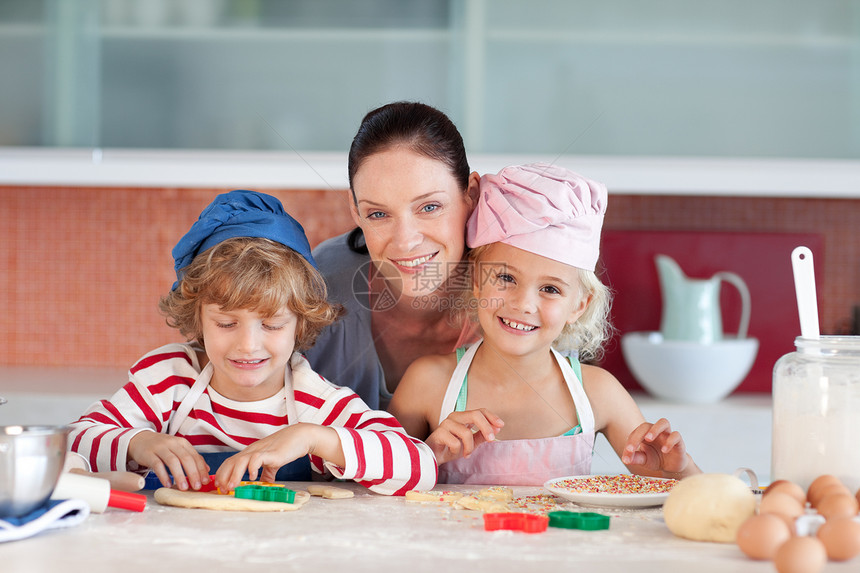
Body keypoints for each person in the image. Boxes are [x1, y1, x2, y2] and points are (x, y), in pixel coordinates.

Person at [67, 190, 437, 496]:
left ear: (300, 323)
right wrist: (138, 443)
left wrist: (312, 438)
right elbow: (74, 442)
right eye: (227, 323)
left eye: (273, 324)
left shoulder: (314, 402)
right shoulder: (168, 382)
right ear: (198, 318)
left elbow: (418, 466)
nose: (248, 345)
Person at [388, 163, 702, 485]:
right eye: (506, 278)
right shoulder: (427, 384)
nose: (523, 304)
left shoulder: (598, 392)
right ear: (477, 282)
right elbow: (376, 487)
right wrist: (428, 453)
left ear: (580, 305)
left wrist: (678, 469)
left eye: (550, 289)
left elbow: (685, 493)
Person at [304, 101, 481, 410]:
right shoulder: (320, 285)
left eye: (429, 207)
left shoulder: (519, 290)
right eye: (378, 214)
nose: (406, 241)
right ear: (355, 209)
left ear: (471, 195)